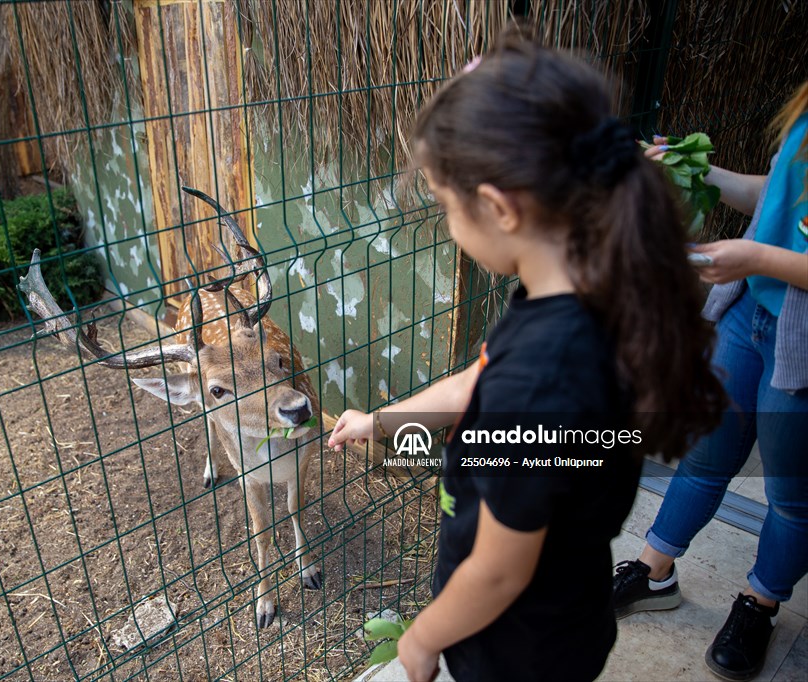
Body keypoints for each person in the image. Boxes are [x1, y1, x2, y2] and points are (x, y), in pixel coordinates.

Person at [328, 29, 728, 682]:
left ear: (497, 207)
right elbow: (479, 378)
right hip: (568, 610)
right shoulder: (588, 291)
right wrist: (383, 420)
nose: (452, 230)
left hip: (516, 650)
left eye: (447, 209)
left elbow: (497, 571)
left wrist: (423, 640)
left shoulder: (541, 383)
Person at [612, 81, 808, 682]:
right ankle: (655, 571)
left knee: (791, 494)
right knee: (706, 452)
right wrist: (705, 171)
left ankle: (760, 602)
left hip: (801, 336)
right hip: (748, 310)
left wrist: (755, 259)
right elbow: (775, 197)